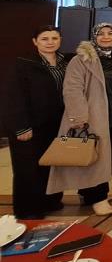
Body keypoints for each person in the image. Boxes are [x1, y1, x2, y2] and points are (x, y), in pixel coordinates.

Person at [47, 23, 112, 216]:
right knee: (95, 157)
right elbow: (72, 89)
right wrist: (78, 116)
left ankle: (88, 193)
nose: (106, 37)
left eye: (110, 33)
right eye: (101, 34)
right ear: (93, 36)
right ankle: (98, 197)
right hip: (92, 116)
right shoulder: (81, 59)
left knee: (103, 156)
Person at [7, 25, 73, 219]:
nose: (50, 42)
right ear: (35, 41)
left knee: (52, 165)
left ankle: (50, 201)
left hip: (57, 124)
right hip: (30, 125)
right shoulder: (23, 64)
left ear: (60, 40)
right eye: (45, 38)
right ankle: (28, 210)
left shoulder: (66, 61)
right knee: (28, 169)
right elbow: (13, 97)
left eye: (54, 38)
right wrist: (21, 127)